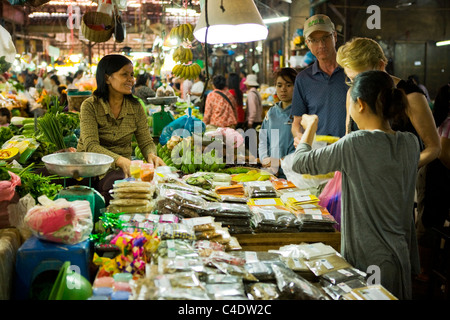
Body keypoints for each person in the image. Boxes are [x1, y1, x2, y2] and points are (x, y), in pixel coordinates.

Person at [292, 70, 421, 300]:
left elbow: (301, 162)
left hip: (371, 261)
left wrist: (310, 127)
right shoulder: (410, 143)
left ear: (359, 104)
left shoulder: (355, 143)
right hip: (400, 258)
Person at [336, 37, 441, 168]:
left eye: (362, 77)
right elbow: (348, 136)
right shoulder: (352, 94)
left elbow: (434, 148)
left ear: (381, 66)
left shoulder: (411, 96)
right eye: (352, 79)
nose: (358, 85)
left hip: (400, 183)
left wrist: (399, 171)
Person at [77, 54, 164, 204]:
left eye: (132, 75)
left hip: (122, 170)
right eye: (125, 74)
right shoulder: (90, 106)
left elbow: (145, 140)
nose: (131, 79)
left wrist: (151, 155)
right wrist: (119, 160)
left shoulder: (135, 106)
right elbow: (91, 146)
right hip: (91, 167)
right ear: (107, 78)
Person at [291, 14, 349, 144]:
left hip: (350, 151)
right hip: (318, 152)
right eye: (314, 40)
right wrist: (299, 136)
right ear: (307, 43)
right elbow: (297, 123)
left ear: (334, 36)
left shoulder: (351, 72)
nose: (321, 45)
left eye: (325, 38)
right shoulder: (303, 79)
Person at [415, 83, 450, 282]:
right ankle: (423, 270)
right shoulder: (447, 122)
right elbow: (445, 154)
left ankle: (425, 268)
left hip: (431, 173)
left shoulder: (438, 118)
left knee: (428, 217)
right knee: (428, 219)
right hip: (434, 175)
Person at [258, 68, 298, 178]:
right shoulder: (271, 113)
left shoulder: (301, 113)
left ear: (297, 87)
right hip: (273, 174)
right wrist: (265, 160)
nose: (283, 89)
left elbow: (305, 149)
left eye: (288, 85)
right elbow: (263, 141)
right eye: (279, 85)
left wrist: (280, 162)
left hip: (294, 175)